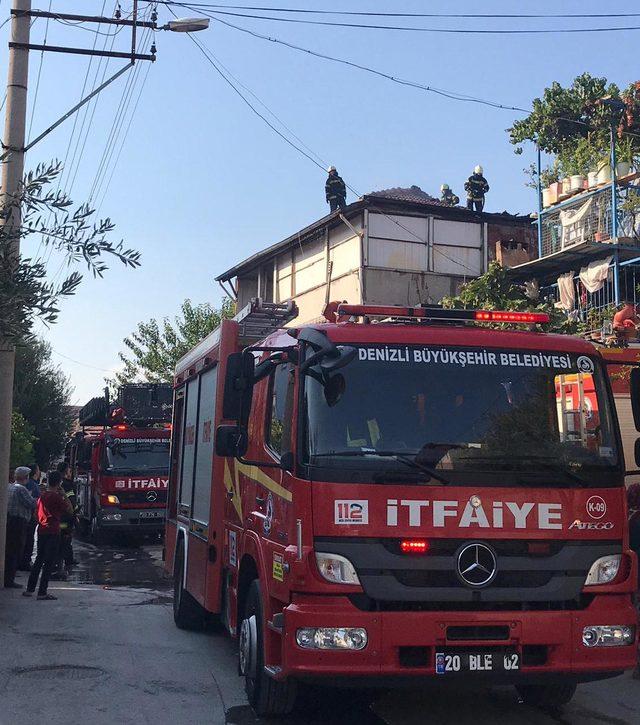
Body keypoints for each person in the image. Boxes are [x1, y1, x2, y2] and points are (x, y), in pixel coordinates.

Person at [23, 471, 72, 601]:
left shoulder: (42, 496)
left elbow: (35, 513)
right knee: (49, 562)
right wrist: (64, 495)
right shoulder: (56, 497)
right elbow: (69, 509)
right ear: (59, 482)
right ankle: (42, 592)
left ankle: (29, 589)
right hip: (53, 531)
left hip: (42, 530)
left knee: (39, 559)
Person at [5, 466, 37, 588]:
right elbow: (31, 503)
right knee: (15, 551)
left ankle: (8, 578)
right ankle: (9, 579)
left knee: (10, 550)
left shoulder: (10, 487)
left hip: (11, 520)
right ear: (25, 477)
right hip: (19, 522)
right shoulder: (21, 489)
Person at [54, 461, 78, 576]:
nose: (70, 471)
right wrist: (75, 511)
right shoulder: (68, 484)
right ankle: (65, 562)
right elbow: (71, 500)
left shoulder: (55, 483)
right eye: (69, 469)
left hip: (56, 517)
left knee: (61, 537)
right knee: (66, 537)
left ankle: (66, 559)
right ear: (65, 471)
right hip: (66, 517)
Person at [19, 463, 41, 571]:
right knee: (28, 540)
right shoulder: (33, 486)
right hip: (29, 517)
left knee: (21, 540)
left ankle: (20, 561)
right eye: (38, 470)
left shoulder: (19, 485)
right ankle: (25, 562)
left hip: (21, 517)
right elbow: (35, 503)